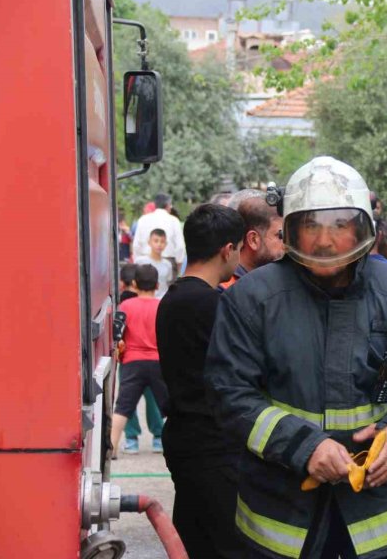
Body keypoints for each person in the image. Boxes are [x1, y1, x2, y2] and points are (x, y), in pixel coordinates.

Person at [205, 156, 387, 559]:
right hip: (281, 524)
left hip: (382, 524)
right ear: (289, 229)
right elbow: (228, 395)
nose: (324, 241)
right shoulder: (251, 301)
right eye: (310, 227)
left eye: (339, 225)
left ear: (363, 228)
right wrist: (303, 448)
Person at [156, 203, 247, 558]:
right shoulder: (210, 304)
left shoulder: (174, 298)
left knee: (194, 539)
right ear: (228, 250)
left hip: (184, 436)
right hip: (212, 445)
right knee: (227, 544)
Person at [110, 264, 169, 458]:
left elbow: (119, 334)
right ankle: (176, 445)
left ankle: (112, 448)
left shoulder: (126, 306)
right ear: (157, 284)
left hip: (132, 362)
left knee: (123, 407)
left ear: (134, 284)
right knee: (169, 407)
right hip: (157, 361)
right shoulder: (162, 305)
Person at [221, 192, 284, 288]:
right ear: (253, 240)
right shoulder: (227, 289)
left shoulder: (277, 279)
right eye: (280, 236)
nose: (286, 245)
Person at [133, 193, 186, 266]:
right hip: (169, 261)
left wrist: (138, 261)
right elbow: (180, 246)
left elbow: (136, 245)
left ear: (155, 205)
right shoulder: (174, 221)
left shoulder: (143, 219)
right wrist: (179, 263)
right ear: (168, 205)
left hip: (145, 263)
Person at [135, 229, 174, 298]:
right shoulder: (140, 262)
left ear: (166, 244)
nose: (159, 244)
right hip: (145, 299)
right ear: (149, 242)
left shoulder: (168, 264)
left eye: (162, 241)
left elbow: (168, 282)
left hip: (162, 300)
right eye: (156, 241)